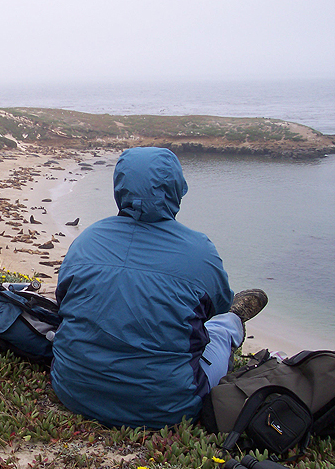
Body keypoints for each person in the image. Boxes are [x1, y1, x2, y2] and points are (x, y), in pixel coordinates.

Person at [50, 147, 268, 429]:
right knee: (221, 328)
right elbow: (217, 306)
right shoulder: (200, 251)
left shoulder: (86, 240)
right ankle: (238, 320)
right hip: (167, 407)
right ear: (176, 188)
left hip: (73, 389)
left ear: (119, 187)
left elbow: (63, 300)